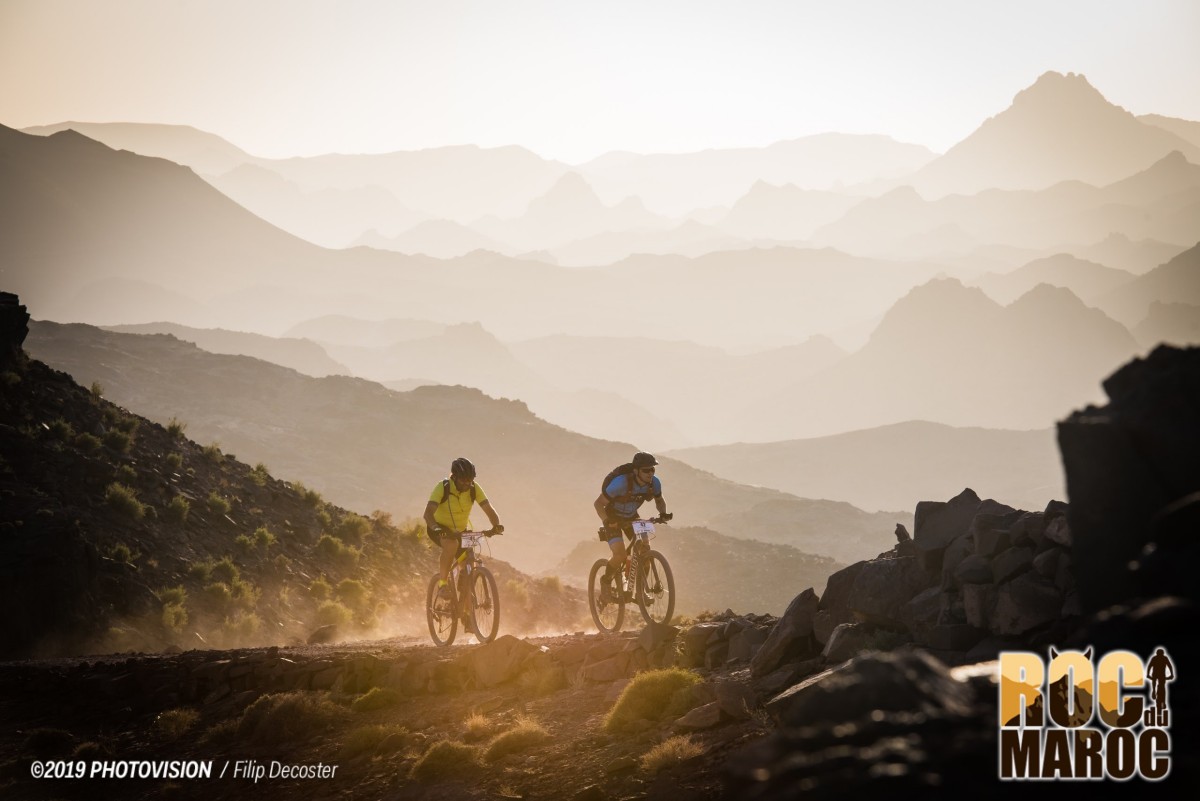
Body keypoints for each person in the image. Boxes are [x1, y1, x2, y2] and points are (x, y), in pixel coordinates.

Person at [423, 458, 503, 624]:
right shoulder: (443, 487)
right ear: (454, 477)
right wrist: (436, 528)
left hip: (460, 531)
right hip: (437, 527)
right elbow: (428, 513)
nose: (467, 484)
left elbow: (489, 509)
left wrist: (496, 525)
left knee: (468, 565)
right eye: (463, 481)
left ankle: (467, 615)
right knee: (451, 545)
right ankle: (443, 584)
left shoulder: (474, 488)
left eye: (470, 481)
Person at [593, 451, 671, 602]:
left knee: (646, 550)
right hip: (612, 517)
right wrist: (607, 521)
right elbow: (598, 504)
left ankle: (640, 592)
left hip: (632, 516)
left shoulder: (654, 483)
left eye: (652, 469)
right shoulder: (621, 483)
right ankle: (606, 582)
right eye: (646, 470)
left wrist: (663, 514)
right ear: (636, 471)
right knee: (620, 555)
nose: (650, 473)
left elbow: (659, 500)